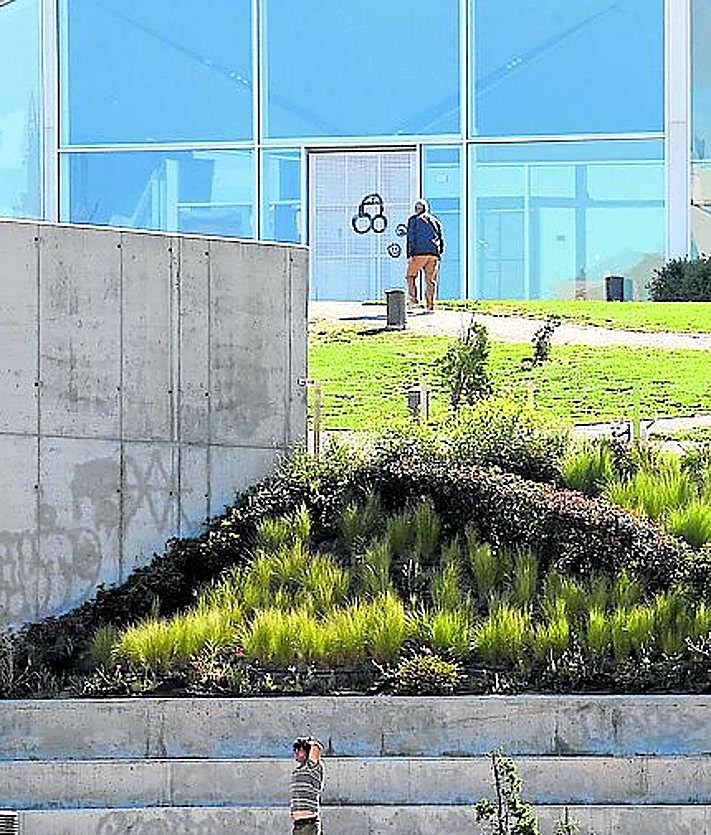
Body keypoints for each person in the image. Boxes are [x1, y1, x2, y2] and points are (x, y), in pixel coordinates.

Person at [405, 198, 445, 312]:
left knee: (410, 276)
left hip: (419, 252)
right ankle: (430, 305)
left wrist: (409, 254)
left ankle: (413, 300)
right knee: (430, 280)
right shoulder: (435, 221)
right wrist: (439, 252)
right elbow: (441, 238)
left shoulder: (413, 220)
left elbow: (411, 237)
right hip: (433, 253)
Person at [290, 736, 325, 834]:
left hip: (309, 823)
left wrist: (308, 742)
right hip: (298, 824)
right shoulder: (298, 770)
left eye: (299, 750)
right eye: (295, 751)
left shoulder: (312, 766)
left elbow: (317, 748)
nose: (296, 753)